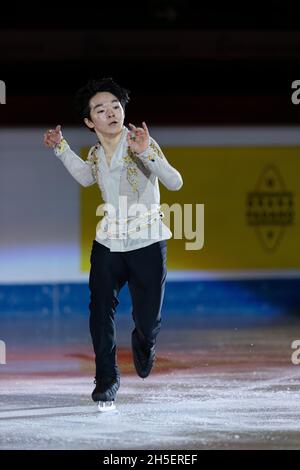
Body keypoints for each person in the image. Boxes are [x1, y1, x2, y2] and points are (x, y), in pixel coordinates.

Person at [44, 77, 183, 411]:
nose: (111, 113)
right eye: (101, 109)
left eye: (116, 106)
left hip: (148, 241)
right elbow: (86, 176)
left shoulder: (139, 141)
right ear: (90, 122)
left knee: (148, 321)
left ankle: (144, 342)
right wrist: (60, 148)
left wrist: (148, 151)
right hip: (108, 243)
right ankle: (107, 379)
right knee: (100, 309)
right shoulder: (94, 153)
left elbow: (175, 182)